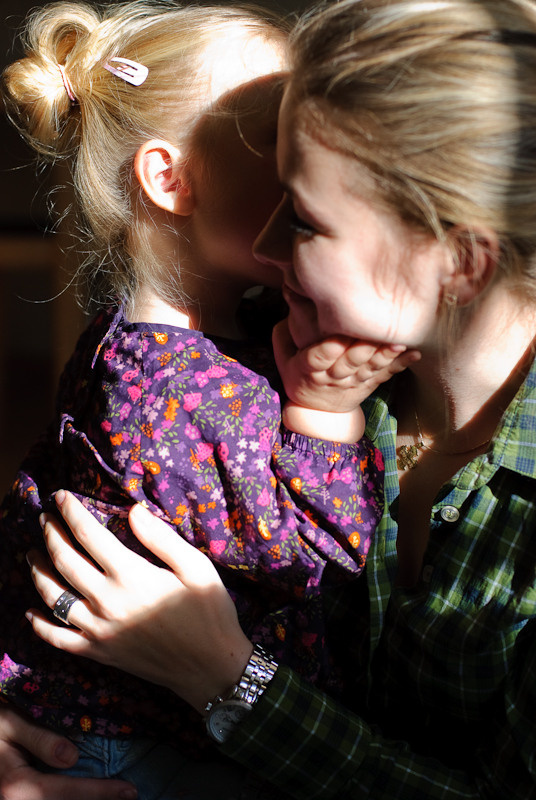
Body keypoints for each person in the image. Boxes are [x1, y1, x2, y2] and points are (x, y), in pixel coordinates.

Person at [9, 0, 536, 797]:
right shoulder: (271, 339)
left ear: (462, 261)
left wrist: (229, 679)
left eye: (308, 221)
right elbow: (53, 501)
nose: (265, 247)